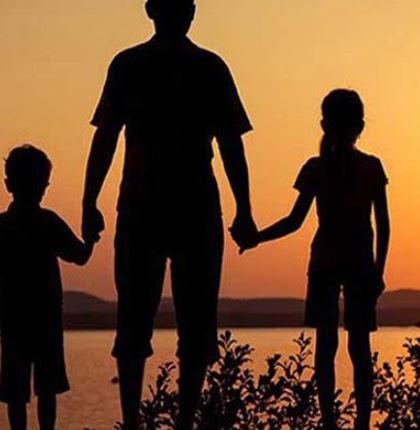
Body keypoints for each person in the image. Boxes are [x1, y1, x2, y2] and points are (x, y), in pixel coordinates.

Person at [81, 0, 256, 428]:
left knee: (166, 324)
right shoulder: (179, 66)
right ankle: (158, 421)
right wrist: (89, 202)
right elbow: (106, 137)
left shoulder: (180, 66)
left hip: (168, 209)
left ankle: (157, 421)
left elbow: (231, 143)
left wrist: (244, 209)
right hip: (166, 209)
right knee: (154, 323)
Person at [242, 89, 391, 430]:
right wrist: (378, 270)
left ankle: (333, 422)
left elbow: (294, 221)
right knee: (353, 346)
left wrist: (257, 238)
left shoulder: (324, 168)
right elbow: (383, 226)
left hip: (334, 264)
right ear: (360, 127)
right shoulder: (363, 167)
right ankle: (355, 423)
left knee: (331, 346)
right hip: (351, 264)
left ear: (324, 124)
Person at [0, 145, 95, 430]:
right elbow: (80, 255)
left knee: (21, 392)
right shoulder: (43, 222)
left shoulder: (4, 225)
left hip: (23, 321)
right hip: (37, 321)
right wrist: (90, 237)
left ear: (8, 184)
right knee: (41, 390)